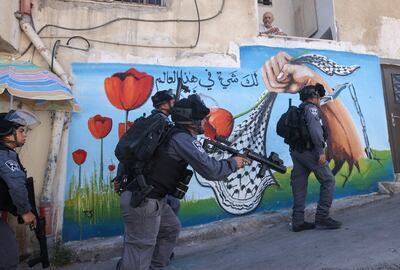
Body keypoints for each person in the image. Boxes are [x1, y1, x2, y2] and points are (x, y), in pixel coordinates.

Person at [118, 94, 250, 270]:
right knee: (140, 247)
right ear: (191, 122)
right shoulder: (182, 139)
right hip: (144, 200)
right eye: (202, 119)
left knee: (170, 228)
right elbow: (211, 170)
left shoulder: (173, 134)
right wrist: (234, 163)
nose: (205, 122)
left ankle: (154, 266)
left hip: (151, 197)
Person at [289, 84, 341, 232]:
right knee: (328, 180)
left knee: (299, 185)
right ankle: (322, 217)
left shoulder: (299, 110)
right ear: (314, 96)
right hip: (311, 152)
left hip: (297, 153)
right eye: (319, 96)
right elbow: (316, 131)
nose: (320, 99)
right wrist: (320, 151)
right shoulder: (311, 109)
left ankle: (298, 221)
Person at [0, 110, 40, 269]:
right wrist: (25, 211)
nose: (25, 134)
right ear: (8, 135)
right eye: (21, 131)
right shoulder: (4, 155)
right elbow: (16, 185)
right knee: (9, 257)